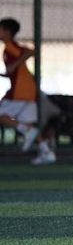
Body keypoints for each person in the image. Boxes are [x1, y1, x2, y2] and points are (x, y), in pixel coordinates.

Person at [0, 18, 41, 156]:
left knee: (2, 115)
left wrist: (14, 65)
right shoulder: (9, 48)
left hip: (20, 90)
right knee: (30, 126)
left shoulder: (10, 47)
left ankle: (26, 130)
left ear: (8, 32)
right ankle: (46, 153)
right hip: (28, 90)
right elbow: (14, 71)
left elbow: (30, 52)